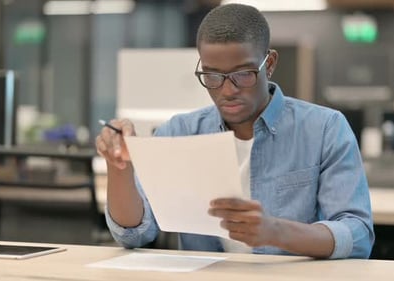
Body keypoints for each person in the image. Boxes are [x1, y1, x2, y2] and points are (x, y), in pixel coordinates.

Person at [96, 3, 374, 259]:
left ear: (271, 63)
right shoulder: (179, 132)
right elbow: (133, 234)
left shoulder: (324, 129)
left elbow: (358, 234)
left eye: (243, 74)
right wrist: (120, 168)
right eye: (213, 76)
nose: (228, 91)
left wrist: (277, 232)